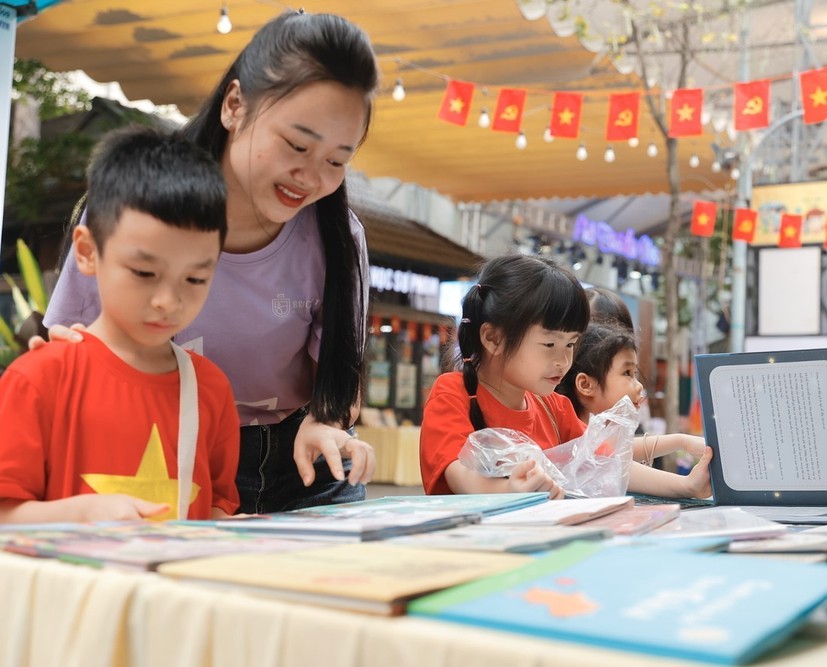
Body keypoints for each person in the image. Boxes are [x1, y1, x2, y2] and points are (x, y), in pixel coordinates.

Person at [40, 12, 377, 514]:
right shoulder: (143, 201)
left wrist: (326, 421)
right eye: (297, 145)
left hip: (304, 459)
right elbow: (71, 345)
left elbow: (338, 367)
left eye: (336, 160)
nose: (309, 176)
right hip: (166, 447)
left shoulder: (338, 238)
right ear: (235, 105)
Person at [0, 126, 239, 523]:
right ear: (88, 251)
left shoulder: (209, 389)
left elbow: (215, 508)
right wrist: (83, 513)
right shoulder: (38, 379)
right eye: (145, 272)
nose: (168, 301)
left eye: (195, 279)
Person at [419, 254, 712, 499]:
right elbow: (460, 478)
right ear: (493, 338)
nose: (563, 361)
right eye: (549, 344)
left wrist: (686, 485)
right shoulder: (453, 393)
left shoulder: (554, 407)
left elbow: (608, 461)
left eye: (571, 344)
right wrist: (510, 488)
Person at [555, 319, 710, 495]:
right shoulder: (570, 438)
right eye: (627, 373)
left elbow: (617, 451)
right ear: (586, 384)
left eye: (635, 374)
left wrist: (682, 441)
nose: (639, 386)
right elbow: (611, 463)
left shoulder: (583, 436)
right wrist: (687, 485)